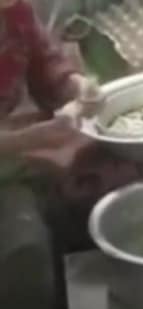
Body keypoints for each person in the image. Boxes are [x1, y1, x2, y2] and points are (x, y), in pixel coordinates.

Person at [0, 0, 102, 308]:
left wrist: (76, 87)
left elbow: (46, 65)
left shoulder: (16, 14)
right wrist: (25, 141)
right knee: (25, 251)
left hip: (11, 150)